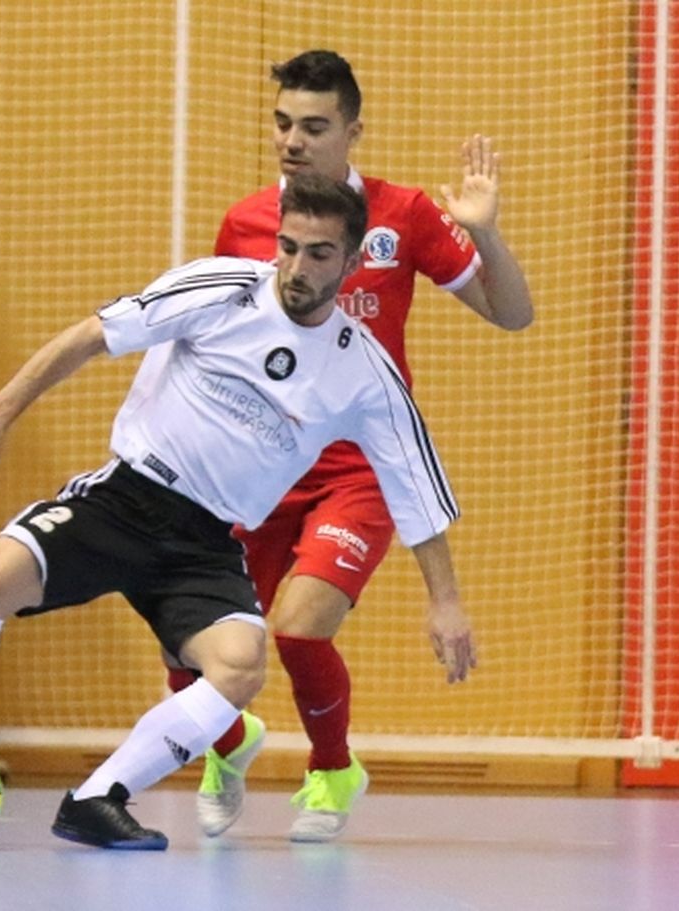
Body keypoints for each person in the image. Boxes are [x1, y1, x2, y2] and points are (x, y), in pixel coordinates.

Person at [0, 172, 476, 849]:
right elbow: (90, 336)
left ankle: (94, 799)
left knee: (239, 665)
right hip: (127, 497)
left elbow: (414, 483)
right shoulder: (222, 288)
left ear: (351, 263)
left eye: (319, 254)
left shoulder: (365, 370)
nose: (296, 266)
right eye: (288, 246)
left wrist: (447, 601)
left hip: (204, 541)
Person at [173, 49, 534, 843]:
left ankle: (333, 767)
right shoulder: (244, 223)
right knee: (192, 639)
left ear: (353, 130)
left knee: (300, 628)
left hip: (358, 468)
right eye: (282, 124)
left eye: (313, 126)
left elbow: (512, 314)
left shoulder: (401, 216)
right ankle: (227, 745)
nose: (291, 141)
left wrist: (486, 235)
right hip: (258, 461)